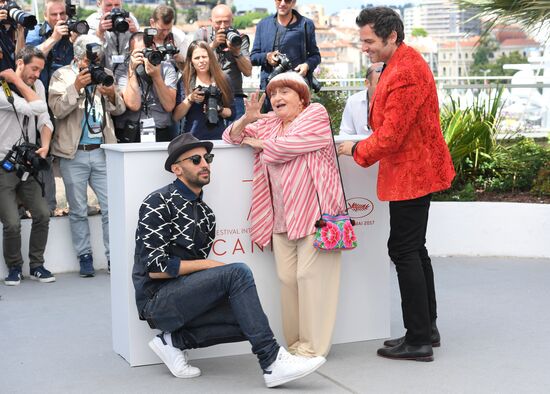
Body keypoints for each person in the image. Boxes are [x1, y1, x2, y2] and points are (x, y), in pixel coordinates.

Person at [133, 133, 326, 387]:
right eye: (195, 159)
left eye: (207, 158)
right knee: (238, 272)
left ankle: (172, 342)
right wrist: (211, 266)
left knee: (247, 318)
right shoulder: (158, 202)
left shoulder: (206, 214)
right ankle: (271, 362)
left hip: (184, 298)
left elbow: (197, 278)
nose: (204, 164)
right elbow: (155, 269)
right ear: (177, 169)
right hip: (156, 302)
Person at [337, 7, 456, 362]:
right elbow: (380, 120)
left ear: (391, 37)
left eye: (369, 41)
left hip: (413, 173)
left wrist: (355, 149)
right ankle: (426, 329)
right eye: (362, 41)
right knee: (414, 249)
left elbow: (388, 136)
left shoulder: (404, 72)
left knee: (404, 251)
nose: (364, 47)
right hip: (414, 170)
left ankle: (418, 339)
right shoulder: (394, 66)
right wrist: (375, 80)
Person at [223, 72, 345, 358]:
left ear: (302, 98)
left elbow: (287, 148)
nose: (277, 98)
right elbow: (231, 136)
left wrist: (262, 144)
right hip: (281, 219)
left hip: (318, 215)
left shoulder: (316, 113)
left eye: (285, 92)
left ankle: (312, 349)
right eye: (273, 93)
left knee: (309, 278)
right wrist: (248, 119)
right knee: (288, 280)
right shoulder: (270, 124)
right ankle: (294, 347)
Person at [48, 35, 126, 277]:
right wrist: (77, 87)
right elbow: (58, 110)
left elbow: (120, 108)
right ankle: (84, 256)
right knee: (79, 209)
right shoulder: (61, 75)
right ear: (77, 56)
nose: (91, 62)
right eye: (87, 58)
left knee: (111, 208)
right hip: (74, 154)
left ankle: (114, 257)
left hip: (102, 151)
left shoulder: (103, 72)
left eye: (95, 58)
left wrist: (112, 94)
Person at [1, 46, 55, 285]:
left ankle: (37, 265)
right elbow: (34, 107)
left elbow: (45, 119)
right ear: (20, 63)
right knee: (12, 223)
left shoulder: (38, 86)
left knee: (42, 214)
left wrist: (44, 146)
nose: (37, 75)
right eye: (34, 69)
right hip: (3, 165)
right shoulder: (2, 86)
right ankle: (14, 268)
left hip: (28, 164)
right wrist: (13, 79)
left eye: (41, 71)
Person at [26, 0, 81, 216]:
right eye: (54, 14)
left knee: (70, 153)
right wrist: (54, 38)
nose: (59, 19)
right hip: (41, 102)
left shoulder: (73, 30)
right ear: (46, 15)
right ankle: (48, 206)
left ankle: (75, 204)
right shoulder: (37, 32)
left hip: (70, 103)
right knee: (44, 155)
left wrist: (77, 41)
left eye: (62, 14)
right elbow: (28, 56)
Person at [250, 0, 320, 109]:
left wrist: (306, 65)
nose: (282, 3)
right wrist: (267, 57)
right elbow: (253, 57)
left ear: (293, 2)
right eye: (279, 0)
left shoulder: (306, 24)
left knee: (298, 126)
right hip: (271, 94)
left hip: (297, 92)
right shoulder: (263, 25)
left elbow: (316, 56)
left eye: (287, 0)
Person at [114, 32, 177, 143]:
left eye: (147, 51)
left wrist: (156, 76)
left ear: (154, 48)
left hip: (160, 131)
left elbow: (169, 105)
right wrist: (132, 71)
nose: (145, 56)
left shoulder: (166, 67)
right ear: (130, 53)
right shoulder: (122, 69)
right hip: (131, 132)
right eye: (140, 52)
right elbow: (133, 105)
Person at [194, 4, 252, 121]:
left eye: (226, 22)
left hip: (234, 96)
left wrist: (236, 53)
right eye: (218, 22)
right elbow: (193, 63)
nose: (222, 26)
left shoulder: (240, 38)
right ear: (211, 21)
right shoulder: (202, 35)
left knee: (235, 137)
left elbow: (248, 71)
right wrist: (213, 45)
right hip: (207, 95)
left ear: (232, 20)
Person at [173, 41, 233, 140]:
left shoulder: (223, 79)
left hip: (217, 138)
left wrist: (219, 109)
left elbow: (232, 114)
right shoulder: (185, 80)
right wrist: (190, 98)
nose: (201, 61)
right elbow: (176, 116)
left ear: (210, 58)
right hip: (192, 138)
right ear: (191, 60)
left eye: (204, 57)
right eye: (196, 58)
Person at [86, 0, 139, 71]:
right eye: (109, 5)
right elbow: (90, 53)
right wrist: (100, 32)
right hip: (103, 69)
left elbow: (140, 45)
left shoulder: (129, 18)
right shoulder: (92, 21)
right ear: (99, 4)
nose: (113, 9)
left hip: (126, 70)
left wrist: (135, 32)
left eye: (117, 5)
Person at [339, 62, 383, 136]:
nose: (385, 87)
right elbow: (346, 133)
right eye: (380, 83)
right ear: (367, 83)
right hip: (358, 146)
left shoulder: (396, 100)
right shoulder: (353, 101)